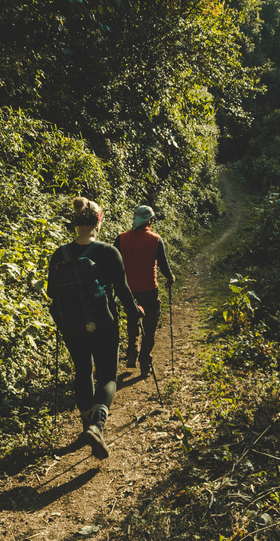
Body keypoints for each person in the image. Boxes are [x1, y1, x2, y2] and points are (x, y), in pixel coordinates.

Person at [47, 197, 142, 459]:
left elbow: (51, 295)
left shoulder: (60, 254)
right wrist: (135, 314)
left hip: (72, 326)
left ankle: (86, 423)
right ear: (99, 221)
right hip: (104, 323)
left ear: (76, 223)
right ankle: (97, 426)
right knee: (108, 376)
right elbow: (122, 291)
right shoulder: (108, 252)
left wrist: (62, 324)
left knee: (82, 371)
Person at [113, 205, 174, 377]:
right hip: (149, 290)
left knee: (132, 320)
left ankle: (131, 354)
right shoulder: (155, 239)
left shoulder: (121, 238)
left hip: (128, 292)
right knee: (149, 327)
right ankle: (145, 363)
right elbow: (163, 266)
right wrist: (170, 278)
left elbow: (115, 265)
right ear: (149, 220)